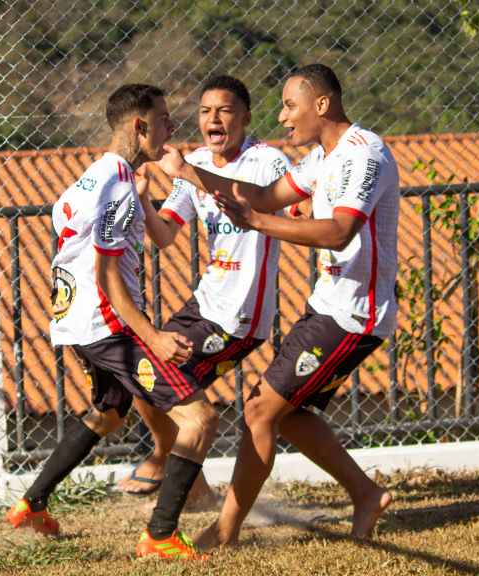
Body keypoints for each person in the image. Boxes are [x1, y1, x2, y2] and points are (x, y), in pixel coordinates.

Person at [158, 64, 397, 550]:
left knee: (261, 412)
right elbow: (261, 196)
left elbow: (337, 230)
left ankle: (225, 531)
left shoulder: (363, 152)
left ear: (322, 105)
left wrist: (257, 223)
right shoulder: (319, 158)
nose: (284, 117)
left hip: (354, 314)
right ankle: (366, 493)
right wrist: (188, 172)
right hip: (327, 305)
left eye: (291, 105)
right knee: (285, 414)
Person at [4, 83, 216, 561]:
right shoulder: (117, 186)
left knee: (111, 411)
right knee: (200, 418)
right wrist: (154, 337)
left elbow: (68, 234)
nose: (172, 128)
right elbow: (106, 274)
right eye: (164, 119)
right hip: (108, 327)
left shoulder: (93, 178)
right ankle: (161, 535)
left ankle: (31, 503)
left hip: (75, 323)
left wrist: (135, 203)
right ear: (139, 126)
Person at [117, 75, 294, 507]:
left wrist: (189, 173)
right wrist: (143, 201)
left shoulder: (267, 162)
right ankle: (195, 490)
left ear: (246, 118)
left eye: (225, 111)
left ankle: (167, 464)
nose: (213, 119)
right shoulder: (194, 161)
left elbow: (273, 207)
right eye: (204, 111)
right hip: (206, 302)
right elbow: (164, 236)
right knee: (135, 364)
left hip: (239, 315)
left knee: (159, 374)